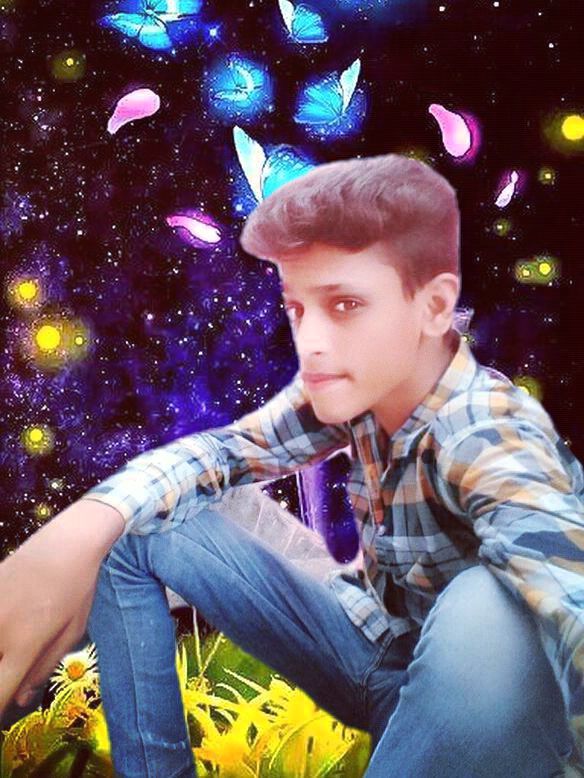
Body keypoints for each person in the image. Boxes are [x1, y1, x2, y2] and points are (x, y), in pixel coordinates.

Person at [1, 154, 583, 777]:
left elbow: (561, 582)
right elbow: (224, 452)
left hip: (482, 705)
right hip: (375, 655)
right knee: (138, 523)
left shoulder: (489, 431)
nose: (314, 342)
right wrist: (82, 528)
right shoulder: (358, 385)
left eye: (346, 305)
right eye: (301, 310)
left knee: (489, 605)